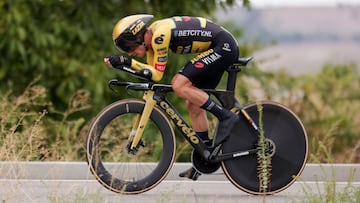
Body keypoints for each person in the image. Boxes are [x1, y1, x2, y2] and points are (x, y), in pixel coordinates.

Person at [104, 14, 239, 181]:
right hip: (219, 46)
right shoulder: (153, 40)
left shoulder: (159, 37)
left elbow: (157, 73)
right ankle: (204, 155)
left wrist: (125, 61)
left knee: (179, 84)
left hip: (224, 46)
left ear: (138, 37)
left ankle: (226, 116)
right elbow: (153, 75)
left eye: (129, 47)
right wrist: (123, 63)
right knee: (193, 104)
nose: (131, 52)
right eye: (126, 50)